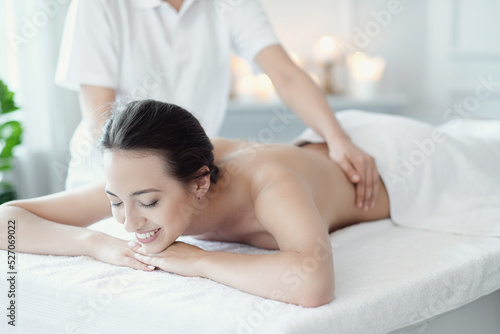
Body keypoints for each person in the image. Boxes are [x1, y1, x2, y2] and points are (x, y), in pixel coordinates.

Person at [2, 100, 498, 307]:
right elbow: (7, 219)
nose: (129, 221)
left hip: (403, 163)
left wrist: (199, 261)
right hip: (317, 149)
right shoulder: (143, 171)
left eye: (147, 202)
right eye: (115, 202)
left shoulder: (269, 183)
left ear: (199, 181)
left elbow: (313, 284)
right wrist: (96, 245)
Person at [55, 0, 380, 212]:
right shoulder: (97, 6)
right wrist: (142, 186)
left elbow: (285, 74)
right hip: (110, 175)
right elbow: (101, 114)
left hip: (179, 177)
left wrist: (338, 139)